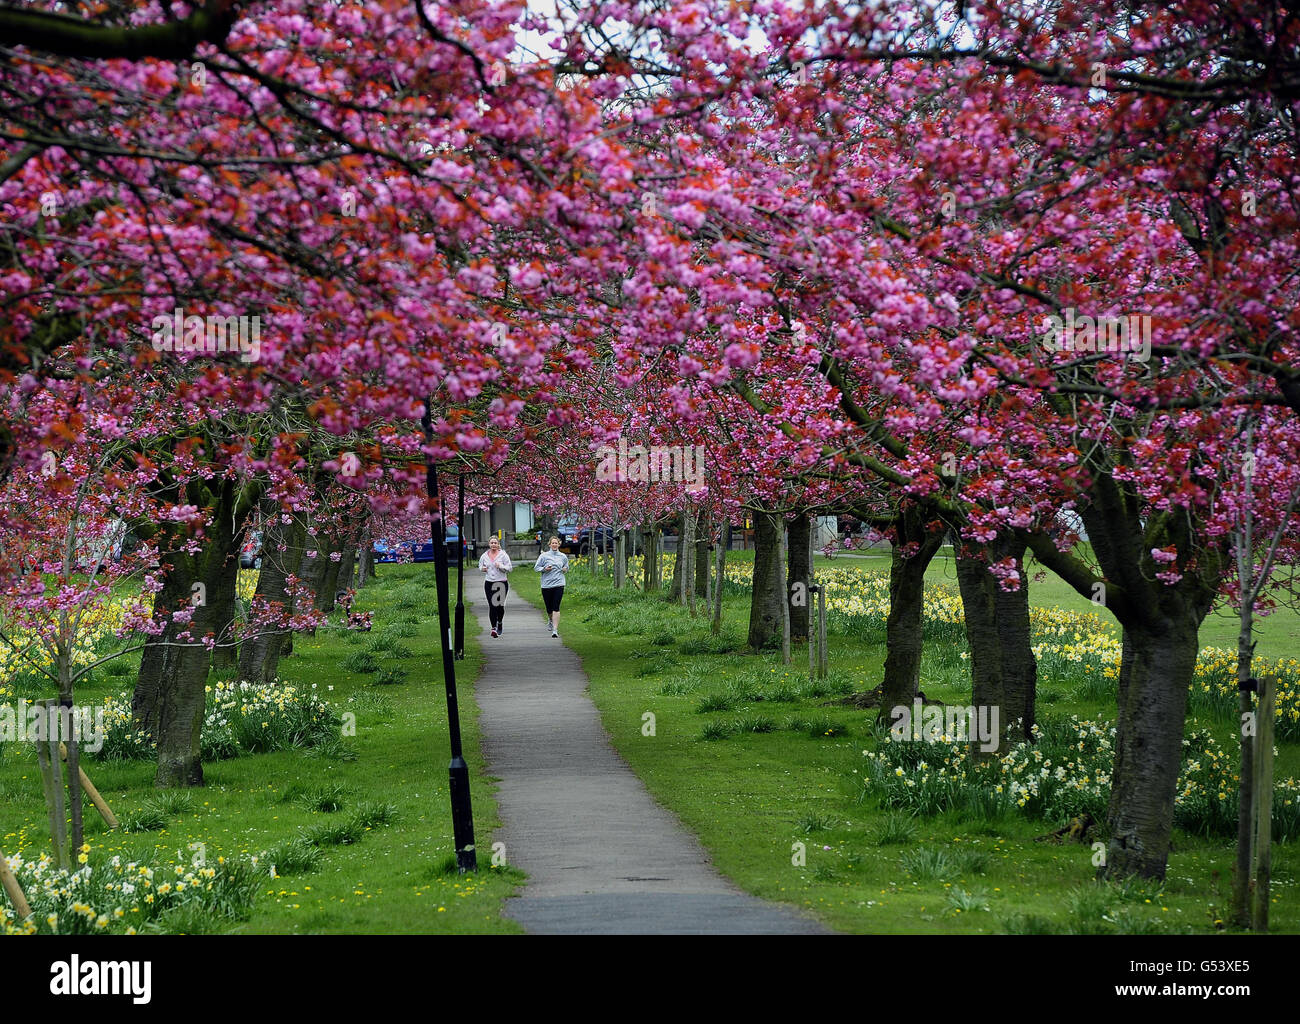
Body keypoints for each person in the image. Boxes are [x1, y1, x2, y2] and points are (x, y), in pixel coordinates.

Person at [533, 535, 570, 638]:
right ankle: (550, 619)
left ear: (559, 544)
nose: (554, 544)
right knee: (549, 608)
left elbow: (567, 567)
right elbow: (536, 568)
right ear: (549, 544)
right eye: (552, 543)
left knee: (556, 607)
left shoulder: (563, 556)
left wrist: (564, 569)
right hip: (546, 585)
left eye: (556, 543)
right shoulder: (544, 556)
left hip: (559, 584)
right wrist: (545, 568)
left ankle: (555, 630)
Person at [478, 536, 513, 638]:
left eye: (495, 543)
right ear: (489, 544)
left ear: (498, 544)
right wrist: (483, 569)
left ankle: (500, 621)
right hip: (489, 583)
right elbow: (480, 566)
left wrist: (501, 566)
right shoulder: (484, 556)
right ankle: (493, 628)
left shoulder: (503, 555)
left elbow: (510, 568)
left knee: (499, 606)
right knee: (492, 606)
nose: (493, 545)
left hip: (501, 583)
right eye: (492, 543)